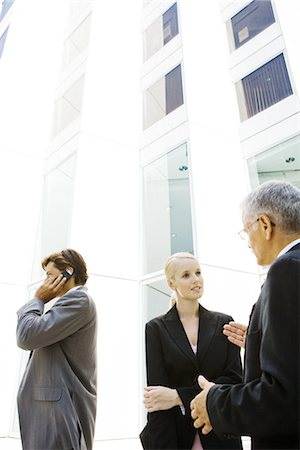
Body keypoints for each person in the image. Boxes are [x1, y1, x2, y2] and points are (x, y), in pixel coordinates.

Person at [190, 180, 300, 450]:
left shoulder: (286, 270)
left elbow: (286, 398)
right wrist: (260, 345)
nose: (247, 241)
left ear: (265, 225)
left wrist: (215, 401)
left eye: (246, 229)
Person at [140, 252, 243, 450]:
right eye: (186, 275)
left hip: (221, 436)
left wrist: (177, 396)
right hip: (177, 438)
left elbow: (234, 381)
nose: (196, 280)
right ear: (172, 284)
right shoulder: (156, 329)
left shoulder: (224, 322)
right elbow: (157, 399)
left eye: (198, 272)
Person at [16, 249, 97, 450]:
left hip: (59, 414)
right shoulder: (66, 304)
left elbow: (27, 336)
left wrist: (38, 299)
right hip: (51, 414)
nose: (45, 283)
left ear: (68, 272)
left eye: (50, 275)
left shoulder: (78, 301)